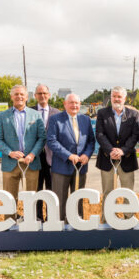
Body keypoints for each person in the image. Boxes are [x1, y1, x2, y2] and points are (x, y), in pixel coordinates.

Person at [47, 93, 95, 221]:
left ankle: (77, 225)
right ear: (65, 104)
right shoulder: (55, 119)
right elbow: (51, 141)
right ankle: (60, 228)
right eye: (71, 103)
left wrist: (86, 155)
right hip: (61, 167)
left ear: (80, 105)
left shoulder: (85, 119)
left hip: (81, 167)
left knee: (78, 199)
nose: (74, 105)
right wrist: (68, 155)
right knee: (60, 200)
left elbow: (91, 141)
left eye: (77, 103)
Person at [0, 85, 45, 201]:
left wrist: (32, 154)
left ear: (27, 97)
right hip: (10, 164)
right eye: (16, 94)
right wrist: (10, 152)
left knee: (31, 200)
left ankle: (29, 219)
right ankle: (11, 219)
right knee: (9, 200)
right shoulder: (2, 116)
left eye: (22, 94)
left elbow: (42, 138)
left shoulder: (36, 115)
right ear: (11, 97)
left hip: (31, 163)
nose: (19, 96)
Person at [95, 86, 139, 200]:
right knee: (107, 193)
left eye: (119, 96)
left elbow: (135, 136)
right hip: (107, 159)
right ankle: (107, 218)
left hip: (127, 159)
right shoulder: (102, 113)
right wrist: (111, 150)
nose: (116, 99)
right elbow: (100, 134)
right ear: (110, 98)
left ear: (124, 98)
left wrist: (123, 150)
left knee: (128, 194)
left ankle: (128, 218)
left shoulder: (133, 114)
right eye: (114, 96)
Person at [31, 84, 60, 220]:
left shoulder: (58, 113)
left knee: (51, 189)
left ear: (49, 95)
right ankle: (37, 217)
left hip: (52, 157)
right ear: (35, 96)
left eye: (44, 93)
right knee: (36, 189)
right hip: (34, 157)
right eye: (39, 93)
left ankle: (50, 218)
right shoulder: (28, 111)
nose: (42, 95)